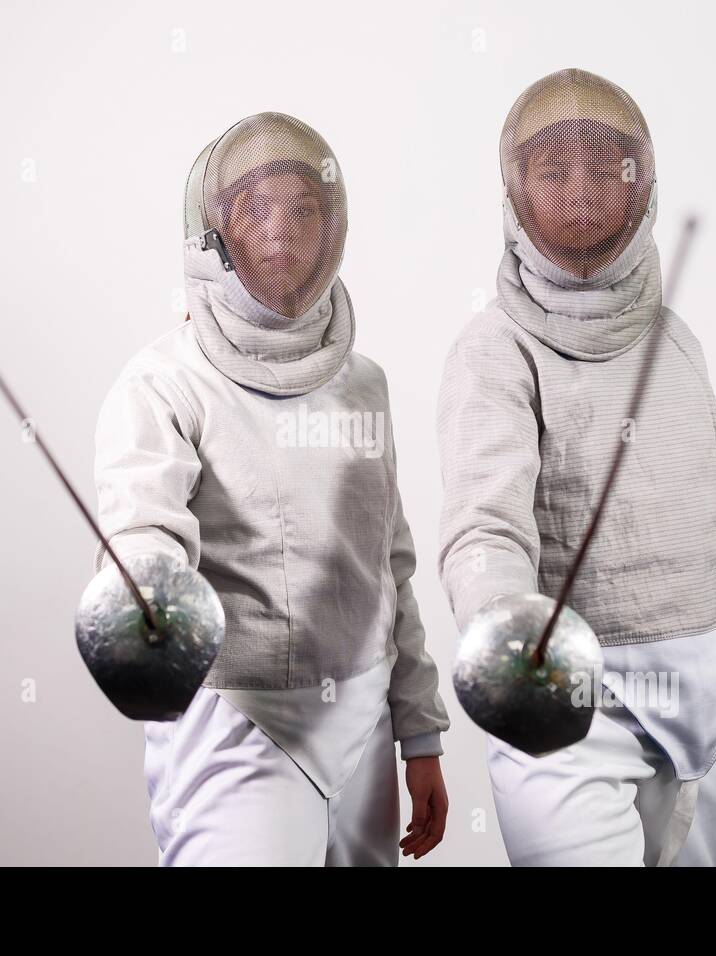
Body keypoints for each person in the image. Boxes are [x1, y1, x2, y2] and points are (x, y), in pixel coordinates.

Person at [94, 112, 450, 866]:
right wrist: (143, 593)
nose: (280, 229)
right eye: (255, 208)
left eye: (303, 209)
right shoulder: (164, 383)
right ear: (214, 231)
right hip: (235, 728)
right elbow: (141, 529)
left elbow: (390, 563)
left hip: (364, 729)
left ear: (332, 228)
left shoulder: (362, 384)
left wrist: (418, 731)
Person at [438, 69, 716, 866]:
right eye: (553, 173)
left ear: (641, 183)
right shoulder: (495, 352)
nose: (580, 195)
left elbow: (713, 538)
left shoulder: (679, 344)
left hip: (701, 710)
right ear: (517, 191)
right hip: (566, 710)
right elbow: (484, 528)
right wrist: (508, 641)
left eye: (603, 171)